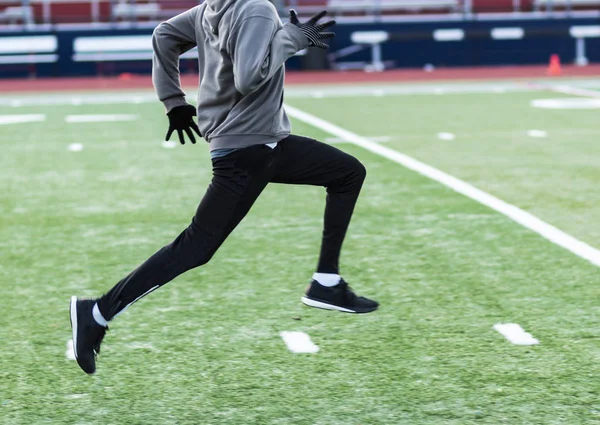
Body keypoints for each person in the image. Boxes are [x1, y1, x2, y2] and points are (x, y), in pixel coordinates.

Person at [69, 0, 379, 375]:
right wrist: (294, 38)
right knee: (196, 247)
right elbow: (250, 77)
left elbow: (163, 35)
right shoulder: (256, 9)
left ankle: (326, 282)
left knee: (347, 172)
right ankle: (97, 313)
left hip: (267, 143)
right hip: (247, 150)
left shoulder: (212, 7)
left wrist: (173, 102)